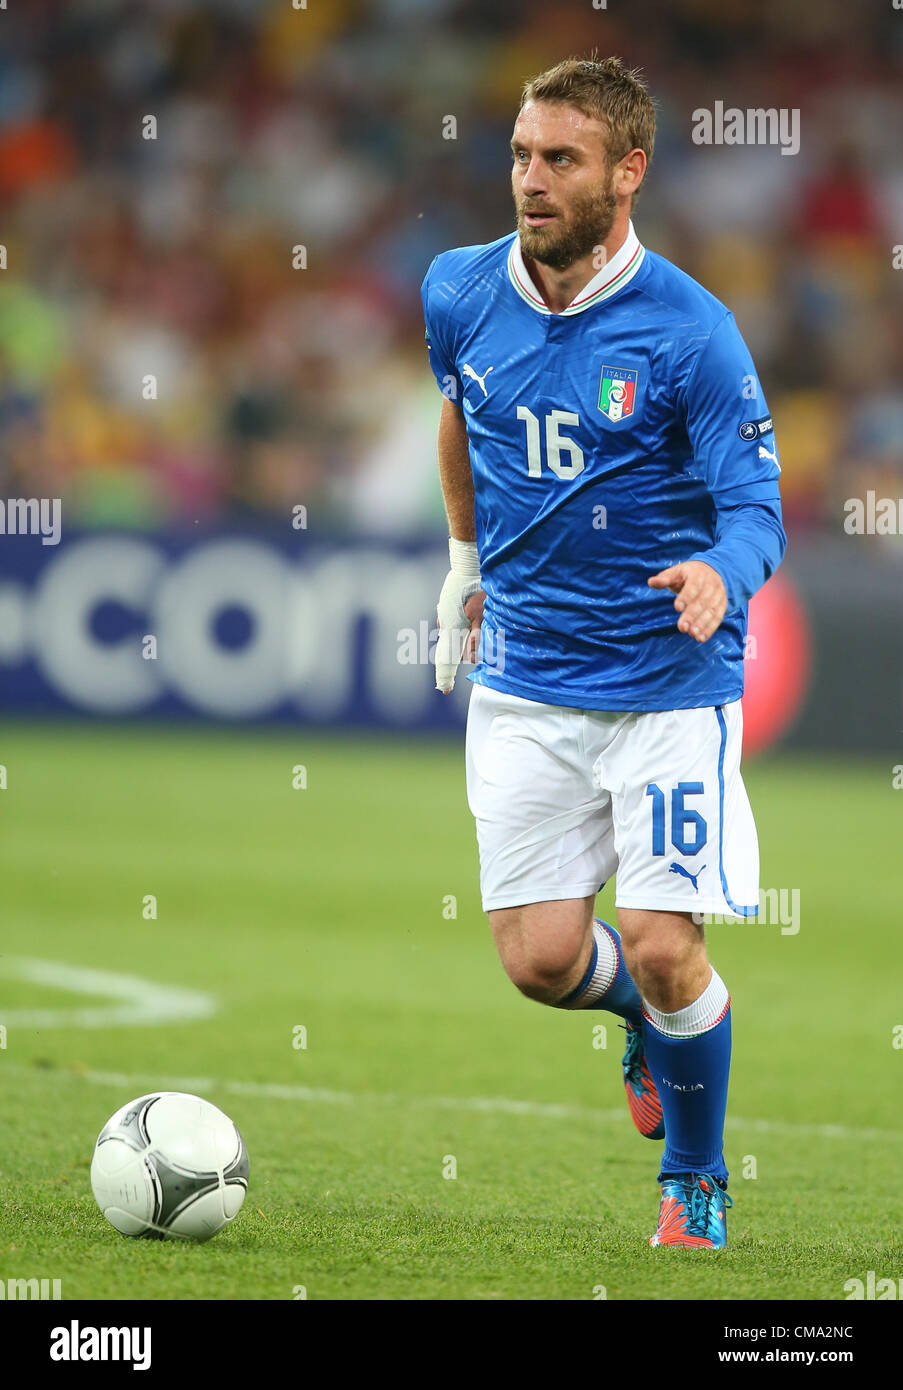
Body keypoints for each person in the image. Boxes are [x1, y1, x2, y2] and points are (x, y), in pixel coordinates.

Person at [421, 55, 785, 1248]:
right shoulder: (458, 291)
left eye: (560, 159)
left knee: (670, 945)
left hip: (666, 691)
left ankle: (695, 1174)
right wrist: (466, 566)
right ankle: (637, 1016)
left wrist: (719, 572)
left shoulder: (691, 330)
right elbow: (458, 412)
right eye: (523, 153)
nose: (531, 178)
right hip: (528, 682)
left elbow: (756, 510)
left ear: (627, 173)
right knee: (537, 962)